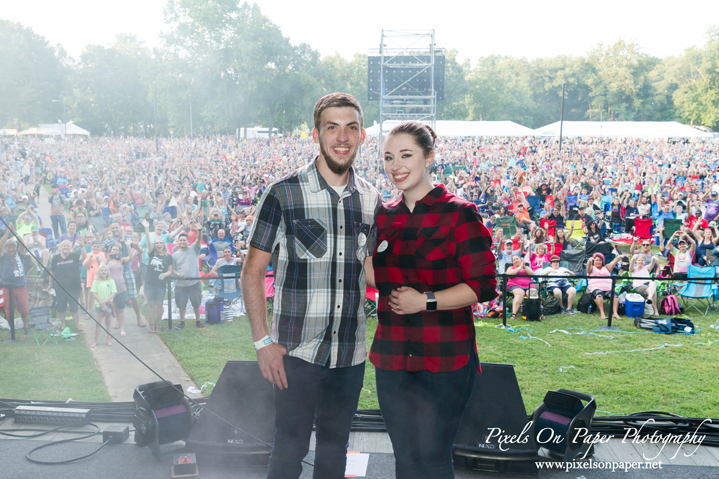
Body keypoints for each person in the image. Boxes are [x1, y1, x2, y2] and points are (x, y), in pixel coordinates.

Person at [241, 92, 380, 479]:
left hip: (349, 355)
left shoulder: (371, 199)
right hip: (295, 353)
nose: (342, 136)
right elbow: (252, 271)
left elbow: (370, 270)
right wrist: (261, 342)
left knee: (335, 454)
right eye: (332, 127)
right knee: (288, 451)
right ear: (316, 134)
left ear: (362, 135)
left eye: (351, 127)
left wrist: (433, 281)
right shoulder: (283, 193)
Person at [368, 121, 496, 479]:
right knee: (405, 461)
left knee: (434, 459)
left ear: (429, 157)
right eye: (389, 157)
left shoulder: (459, 212)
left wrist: (426, 301)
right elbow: (374, 273)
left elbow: (484, 285)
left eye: (406, 155)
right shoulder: (383, 217)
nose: (396, 165)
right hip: (392, 357)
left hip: (446, 357)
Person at [172, 221, 205, 329]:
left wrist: (199, 230)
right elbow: (172, 269)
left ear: (187, 241)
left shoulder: (194, 249)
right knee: (181, 304)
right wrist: (178, 274)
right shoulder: (175, 255)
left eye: (184, 240)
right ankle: (182, 322)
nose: (182, 241)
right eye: (180, 240)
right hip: (180, 284)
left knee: (196, 302)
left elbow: (198, 239)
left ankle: (198, 321)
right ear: (178, 242)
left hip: (194, 282)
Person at [143, 219, 173, 333]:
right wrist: (146, 229)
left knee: (159, 304)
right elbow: (148, 241)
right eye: (157, 243)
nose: (159, 244)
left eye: (160, 243)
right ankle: (151, 326)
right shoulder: (151, 253)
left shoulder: (168, 256)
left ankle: (159, 325)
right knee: (151, 304)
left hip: (161, 284)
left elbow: (170, 270)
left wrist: (165, 274)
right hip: (150, 283)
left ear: (163, 245)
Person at [50, 240, 87, 333]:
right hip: (60, 287)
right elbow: (52, 272)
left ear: (70, 248)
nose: (66, 247)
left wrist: (82, 246)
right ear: (60, 247)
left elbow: (84, 257)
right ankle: (62, 325)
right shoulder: (55, 258)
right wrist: (50, 284)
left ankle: (77, 326)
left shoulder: (74, 256)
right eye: (64, 246)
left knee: (74, 307)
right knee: (61, 307)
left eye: (68, 246)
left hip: (73, 287)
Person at [0, 228, 32, 334]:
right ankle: (11, 329)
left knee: (24, 308)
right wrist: (7, 234)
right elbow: (0, 245)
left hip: (20, 286)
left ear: (15, 247)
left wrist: (16, 233)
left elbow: (23, 244)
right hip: (7, 287)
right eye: (9, 247)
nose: (11, 249)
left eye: (13, 246)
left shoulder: (19, 254)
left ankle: (26, 327)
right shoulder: (3, 256)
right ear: (6, 248)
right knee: (9, 311)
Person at [585, 252, 624, 320]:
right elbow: (588, 268)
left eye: (600, 260)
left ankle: (615, 313)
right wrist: (589, 261)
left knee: (614, 295)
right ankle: (602, 313)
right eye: (596, 260)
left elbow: (613, 262)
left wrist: (619, 257)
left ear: (602, 261)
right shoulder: (591, 268)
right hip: (595, 287)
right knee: (599, 294)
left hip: (608, 288)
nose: (598, 262)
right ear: (594, 261)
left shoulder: (606, 267)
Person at [90, 264, 116, 349]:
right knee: (98, 323)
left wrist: (105, 301)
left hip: (108, 306)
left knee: (108, 322)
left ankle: (108, 339)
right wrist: (101, 302)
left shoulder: (111, 281)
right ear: (99, 272)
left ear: (107, 272)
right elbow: (94, 293)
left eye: (105, 270)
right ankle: (95, 341)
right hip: (99, 306)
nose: (103, 272)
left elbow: (113, 293)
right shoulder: (96, 281)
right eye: (102, 270)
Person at [506, 254, 535, 321]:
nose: (516, 260)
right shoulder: (510, 268)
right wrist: (519, 268)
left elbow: (532, 274)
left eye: (517, 259)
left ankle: (536, 312)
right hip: (515, 285)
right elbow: (510, 275)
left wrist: (524, 267)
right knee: (519, 293)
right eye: (514, 260)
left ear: (520, 260)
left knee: (533, 293)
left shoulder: (526, 267)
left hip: (529, 285)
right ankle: (514, 313)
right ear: (512, 262)